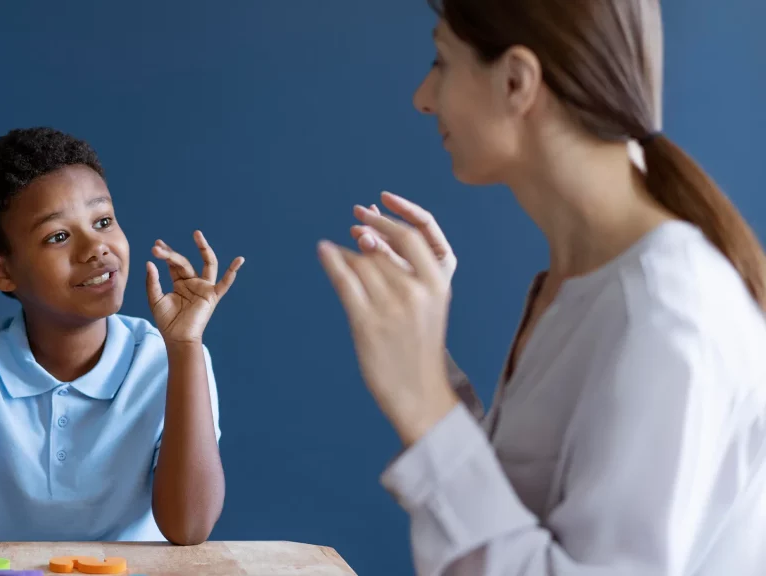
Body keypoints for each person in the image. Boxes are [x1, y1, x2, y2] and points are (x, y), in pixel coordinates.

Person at [318, 1, 766, 574]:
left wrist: (424, 404)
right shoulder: (584, 286)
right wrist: (425, 364)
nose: (423, 97)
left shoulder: (662, 315)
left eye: (442, 62)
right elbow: (525, 520)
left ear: (515, 81)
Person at [0, 127, 243, 548]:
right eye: (58, 236)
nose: (96, 248)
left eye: (103, 221)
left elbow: (189, 527)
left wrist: (185, 349)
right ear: (5, 273)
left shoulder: (168, 356)